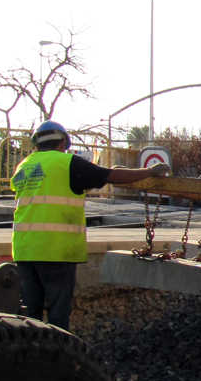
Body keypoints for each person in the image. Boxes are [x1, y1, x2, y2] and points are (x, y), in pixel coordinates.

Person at [11, 120, 169, 330]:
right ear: (63, 144)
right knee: (58, 316)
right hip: (56, 251)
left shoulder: (24, 166)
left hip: (24, 251)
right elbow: (110, 176)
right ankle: (58, 359)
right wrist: (148, 172)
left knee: (31, 316)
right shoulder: (67, 163)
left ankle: (31, 358)